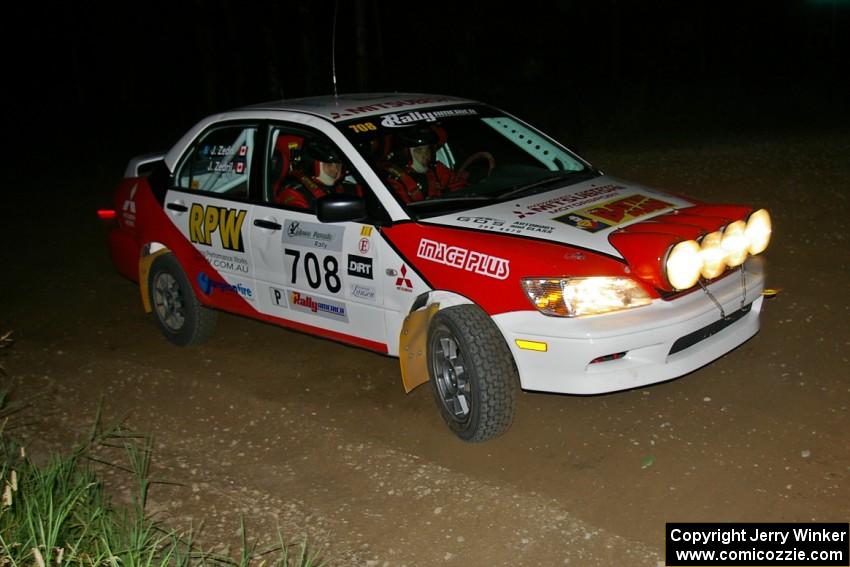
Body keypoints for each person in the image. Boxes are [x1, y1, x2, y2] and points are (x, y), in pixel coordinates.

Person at [383, 126, 467, 203]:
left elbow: (461, 189)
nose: (425, 155)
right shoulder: (394, 181)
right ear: (406, 154)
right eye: (419, 150)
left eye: (428, 150)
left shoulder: (437, 170)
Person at [275, 142, 361, 210]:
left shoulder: (350, 187)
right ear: (313, 166)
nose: (335, 170)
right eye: (329, 164)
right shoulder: (294, 192)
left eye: (338, 165)